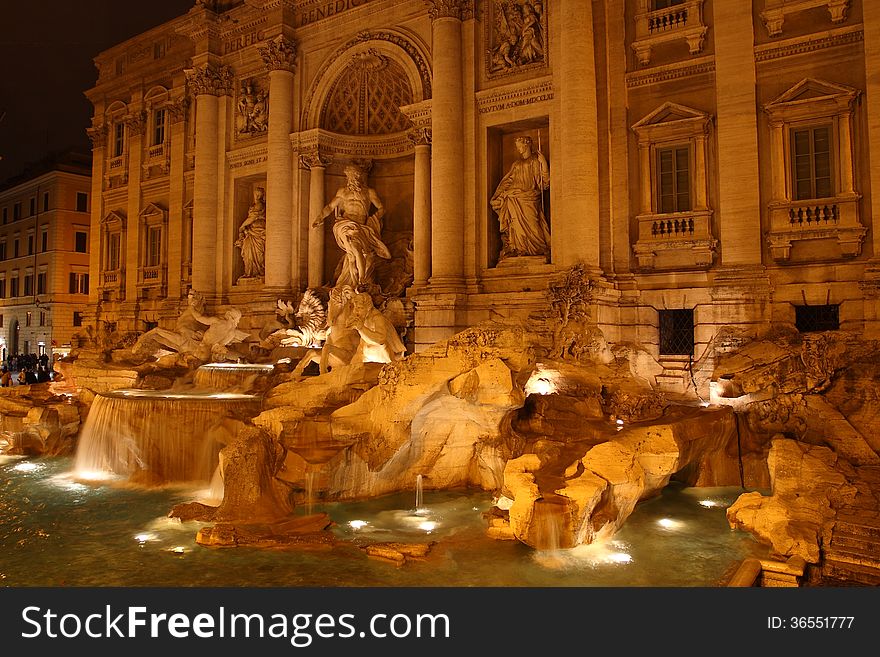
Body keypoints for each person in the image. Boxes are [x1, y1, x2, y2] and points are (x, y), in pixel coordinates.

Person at [312, 163, 391, 289]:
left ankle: (356, 278)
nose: (352, 178)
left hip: (361, 227)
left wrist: (374, 218)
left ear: (359, 176)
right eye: (350, 176)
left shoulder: (369, 192)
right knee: (355, 248)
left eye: (355, 175)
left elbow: (381, 208)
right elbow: (330, 207)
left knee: (353, 254)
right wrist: (319, 218)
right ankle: (361, 279)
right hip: (345, 224)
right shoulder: (342, 192)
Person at [490, 135, 551, 260]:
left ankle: (538, 248)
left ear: (527, 145)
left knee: (533, 224)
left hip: (530, 197)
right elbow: (507, 181)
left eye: (519, 146)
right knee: (515, 224)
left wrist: (544, 163)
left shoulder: (535, 160)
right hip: (514, 197)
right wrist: (498, 195)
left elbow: (544, 182)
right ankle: (519, 248)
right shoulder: (516, 164)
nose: (518, 149)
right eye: (517, 147)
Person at [235, 187, 267, 280]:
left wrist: (241, 226)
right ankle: (249, 271)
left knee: (258, 253)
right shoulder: (255, 205)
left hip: (258, 230)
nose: (256, 196)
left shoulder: (260, 205)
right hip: (251, 231)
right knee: (248, 251)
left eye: (257, 194)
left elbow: (252, 218)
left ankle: (258, 271)